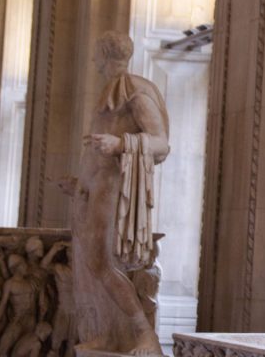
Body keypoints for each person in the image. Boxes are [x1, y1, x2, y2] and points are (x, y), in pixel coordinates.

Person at [68, 30, 169, 355]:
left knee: (102, 263)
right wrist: (79, 183)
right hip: (94, 189)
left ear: (108, 56)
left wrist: (120, 144)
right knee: (92, 264)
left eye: (98, 56)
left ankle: (144, 334)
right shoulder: (109, 93)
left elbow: (161, 142)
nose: (95, 63)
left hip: (114, 189)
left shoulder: (135, 93)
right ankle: (110, 333)